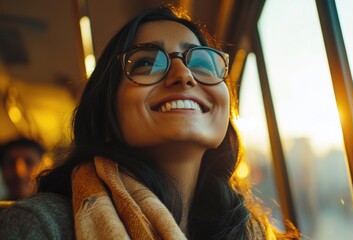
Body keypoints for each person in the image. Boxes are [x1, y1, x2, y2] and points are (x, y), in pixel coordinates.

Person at [0, 6, 299, 239]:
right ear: (106, 112)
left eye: (202, 64)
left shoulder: (253, 231)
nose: (184, 74)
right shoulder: (41, 226)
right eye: (146, 62)